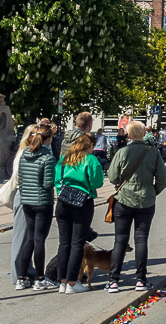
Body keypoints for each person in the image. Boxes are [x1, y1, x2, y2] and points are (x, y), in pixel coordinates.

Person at [108, 120, 166, 292]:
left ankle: (113, 281)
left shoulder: (122, 152)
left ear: (128, 134)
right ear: (144, 134)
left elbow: (112, 176)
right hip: (146, 200)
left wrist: (121, 184)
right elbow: (162, 178)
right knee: (141, 239)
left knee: (120, 240)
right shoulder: (153, 153)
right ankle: (140, 280)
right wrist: (153, 191)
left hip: (124, 200)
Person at [53, 131, 104, 293]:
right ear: (89, 145)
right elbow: (97, 181)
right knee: (77, 243)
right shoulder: (90, 159)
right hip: (82, 203)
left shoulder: (63, 159)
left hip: (63, 202)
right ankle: (73, 283)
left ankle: (62, 282)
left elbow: (56, 181)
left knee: (64, 243)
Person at [15, 125, 57, 291]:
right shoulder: (48, 157)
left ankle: (21, 277)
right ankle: (40, 279)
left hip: (27, 201)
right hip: (42, 202)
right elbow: (47, 184)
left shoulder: (25, 153)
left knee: (30, 239)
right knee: (40, 240)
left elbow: (22, 179)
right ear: (49, 139)